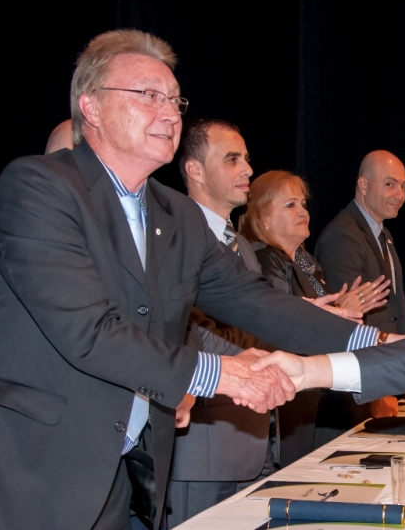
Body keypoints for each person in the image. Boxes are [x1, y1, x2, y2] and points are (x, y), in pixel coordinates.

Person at [0, 30, 405, 530]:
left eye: (174, 100)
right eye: (148, 96)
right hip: (39, 471)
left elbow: (257, 301)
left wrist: (381, 343)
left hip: (125, 475)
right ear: (92, 107)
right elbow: (89, 332)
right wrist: (221, 374)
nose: (170, 114)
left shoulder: (175, 215)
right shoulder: (39, 186)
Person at [238, 169, 390, 465]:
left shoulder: (307, 264)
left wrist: (341, 313)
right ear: (264, 217)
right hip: (289, 403)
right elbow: (278, 325)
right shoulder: (266, 261)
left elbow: (317, 319)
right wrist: (339, 311)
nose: (302, 211)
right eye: (290, 205)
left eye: (303, 204)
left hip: (315, 399)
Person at [167, 119, 276, 527]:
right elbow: (187, 332)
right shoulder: (174, 238)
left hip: (254, 445)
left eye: (246, 158)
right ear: (194, 170)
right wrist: (266, 350)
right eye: (232, 160)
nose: (248, 169)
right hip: (202, 452)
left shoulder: (242, 245)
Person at [315, 151, 405, 441]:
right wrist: (376, 388)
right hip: (356, 393)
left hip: (382, 375)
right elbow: (346, 323)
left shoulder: (382, 233)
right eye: (390, 184)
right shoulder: (343, 236)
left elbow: (392, 311)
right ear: (363, 185)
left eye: (404, 186)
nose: (400, 194)